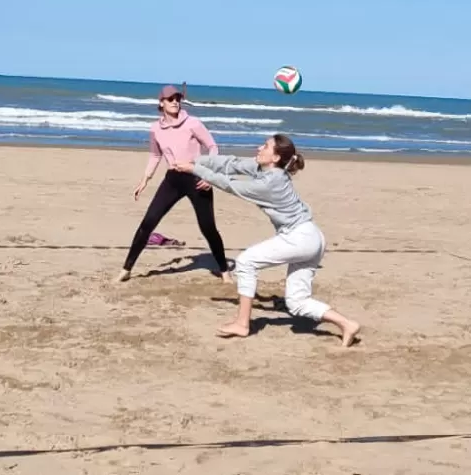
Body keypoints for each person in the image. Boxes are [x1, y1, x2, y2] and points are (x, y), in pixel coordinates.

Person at [175, 133, 361, 346]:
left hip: (300, 237)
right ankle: (347, 324)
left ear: (275, 158)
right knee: (297, 303)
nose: (258, 148)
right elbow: (231, 164)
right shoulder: (264, 169)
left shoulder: (270, 183)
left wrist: (194, 170)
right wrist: (196, 160)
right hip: (312, 237)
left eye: (265, 146)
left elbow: (230, 185)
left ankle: (242, 324)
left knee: (245, 262)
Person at [115, 85, 230, 283]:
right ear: (161, 103)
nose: (175, 101)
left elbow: (212, 147)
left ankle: (225, 271)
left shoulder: (192, 123)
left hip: (196, 178)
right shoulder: (155, 129)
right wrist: (145, 179)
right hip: (173, 179)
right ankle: (126, 269)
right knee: (148, 222)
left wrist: (209, 175)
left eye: (178, 98)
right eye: (170, 99)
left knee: (208, 227)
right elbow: (155, 155)